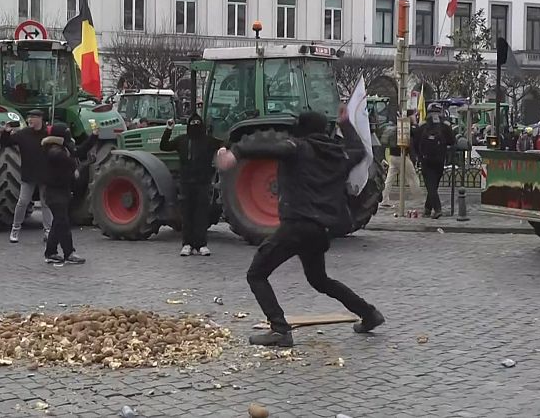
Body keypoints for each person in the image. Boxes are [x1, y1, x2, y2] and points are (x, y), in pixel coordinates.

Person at [215, 109, 385, 347]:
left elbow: (272, 148)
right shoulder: (339, 155)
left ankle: (280, 330)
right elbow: (358, 150)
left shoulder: (298, 148)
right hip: (321, 229)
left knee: (256, 274)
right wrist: (346, 124)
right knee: (320, 280)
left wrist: (236, 153)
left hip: (296, 225)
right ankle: (369, 314)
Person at [160, 115, 222, 256]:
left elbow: (225, 143)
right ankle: (187, 244)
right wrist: (168, 129)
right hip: (186, 183)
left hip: (202, 183)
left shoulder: (208, 141)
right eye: (193, 124)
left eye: (197, 124)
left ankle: (201, 245)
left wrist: (223, 149)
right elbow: (164, 146)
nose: (195, 127)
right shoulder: (182, 140)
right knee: (187, 215)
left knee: (201, 215)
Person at [42, 123, 98, 265]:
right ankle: (69, 253)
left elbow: (78, 151)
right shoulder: (53, 151)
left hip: (62, 192)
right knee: (63, 223)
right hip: (55, 193)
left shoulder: (62, 149)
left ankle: (51, 252)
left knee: (57, 223)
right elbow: (71, 164)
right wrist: (84, 164)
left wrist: (93, 137)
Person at [1, 109, 53, 243]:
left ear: (40, 119)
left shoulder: (48, 134)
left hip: (45, 173)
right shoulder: (23, 134)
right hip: (29, 173)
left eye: (33, 118)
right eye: (29, 118)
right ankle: (15, 229)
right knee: (22, 202)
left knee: (46, 203)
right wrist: (6, 132)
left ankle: (48, 231)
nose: (30, 120)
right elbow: (6, 143)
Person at [415, 103, 454, 219]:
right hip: (440, 160)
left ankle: (437, 209)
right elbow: (452, 141)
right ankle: (427, 209)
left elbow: (415, 142)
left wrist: (419, 156)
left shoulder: (422, 125)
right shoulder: (445, 125)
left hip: (426, 160)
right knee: (433, 185)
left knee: (430, 186)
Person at [380, 110, 422, 207]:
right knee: (412, 178)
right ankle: (419, 199)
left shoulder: (396, 126)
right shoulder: (405, 127)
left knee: (389, 179)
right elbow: (417, 133)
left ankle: (384, 199)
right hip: (402, 156)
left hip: (393, 156)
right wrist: (414, 123)